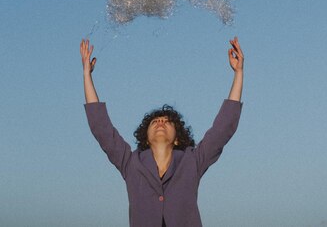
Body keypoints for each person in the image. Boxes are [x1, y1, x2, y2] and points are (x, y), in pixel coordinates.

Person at [80, 36, 244, 227]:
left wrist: (238, 73)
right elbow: (102, 128)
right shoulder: (131, 163)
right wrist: (86, 75)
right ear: (146, 139)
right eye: (155, 122)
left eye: (167, 122)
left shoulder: (192, 161)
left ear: (176, 139)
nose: (160, 122)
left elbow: (222, 129)